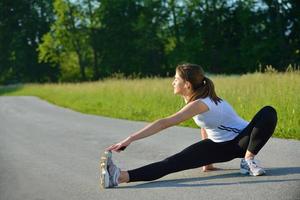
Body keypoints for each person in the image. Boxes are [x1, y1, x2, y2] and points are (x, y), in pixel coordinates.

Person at [99, 63, 277, 189]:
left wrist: (130, 139)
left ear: (187, 84)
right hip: (221, 146)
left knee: (268, 111)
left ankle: (248, 160)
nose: (172, 82)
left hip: (243, 141)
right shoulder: (197, 102)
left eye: (176, 79)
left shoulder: (200, 103)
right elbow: (206, 125)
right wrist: (207, 162)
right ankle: (119, 177)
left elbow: (163, 123)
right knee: (171, 163)